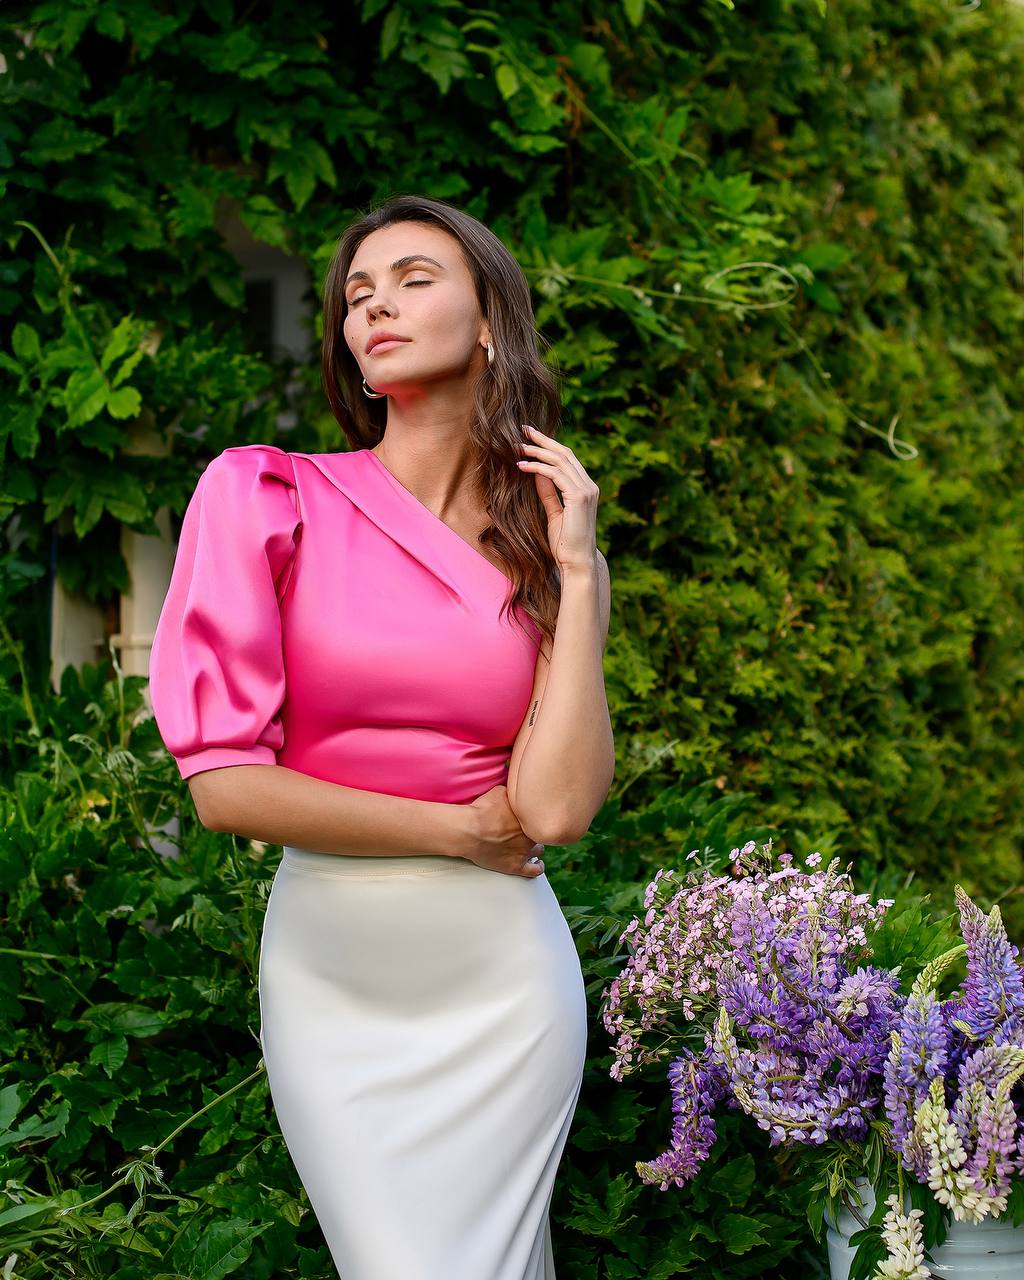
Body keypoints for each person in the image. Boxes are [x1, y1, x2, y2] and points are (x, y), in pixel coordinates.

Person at [148, 192, 615, 1279]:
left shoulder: (543, 547)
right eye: (358, 294)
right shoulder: (266, 496)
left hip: (504, 981)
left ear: (489, 322)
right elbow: (224, 789)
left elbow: (555, 810)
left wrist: (583, 575)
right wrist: (454, 830)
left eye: (413, 280)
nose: (375, 307)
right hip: (334, 975)